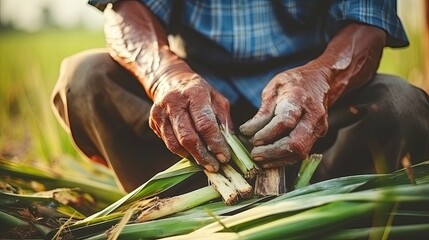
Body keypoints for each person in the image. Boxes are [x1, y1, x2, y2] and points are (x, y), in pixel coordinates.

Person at [52, 0, 429, 193]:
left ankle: (321, 193)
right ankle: (183, 203)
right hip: (199, 115)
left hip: (320, 112)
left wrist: (319, 82)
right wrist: (167, 76)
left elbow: (367, 24)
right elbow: (126, 10)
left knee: (401, 106)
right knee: (84, 79)